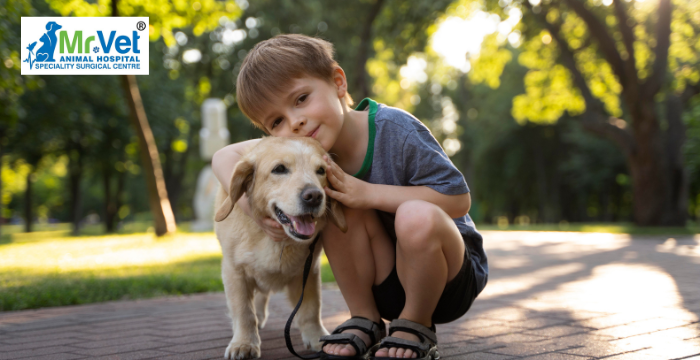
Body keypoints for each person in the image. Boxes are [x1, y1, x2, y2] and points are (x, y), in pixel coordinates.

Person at [212, 34, 487, 359]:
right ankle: (366, 318)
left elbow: (458, 200)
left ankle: (416, 324)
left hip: (449, 278)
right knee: (333, 203)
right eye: (277, 122)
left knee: (415, 214)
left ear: (338, 82)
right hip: (385, 282)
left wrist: (368, 193)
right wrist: (255, 211)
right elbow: (223, 157)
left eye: (301, 99)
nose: (295, 122)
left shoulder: (397, 130)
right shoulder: (307, 154)